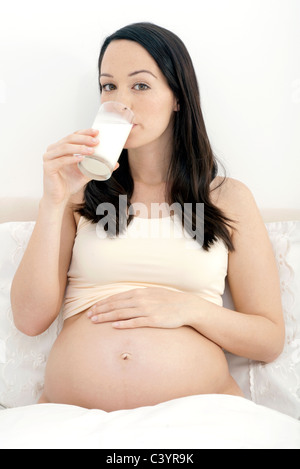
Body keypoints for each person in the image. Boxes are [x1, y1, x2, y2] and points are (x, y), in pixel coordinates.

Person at [11, 23, 285, 412]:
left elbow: (269, 338)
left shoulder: (228, 198)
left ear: (177, 97)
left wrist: (188, 309)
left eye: (140, 85)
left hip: (201, 416)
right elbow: (29, 319)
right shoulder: (78, 195)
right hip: (73, 418)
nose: (121, 102)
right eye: (108, 86)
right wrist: (53, 200)